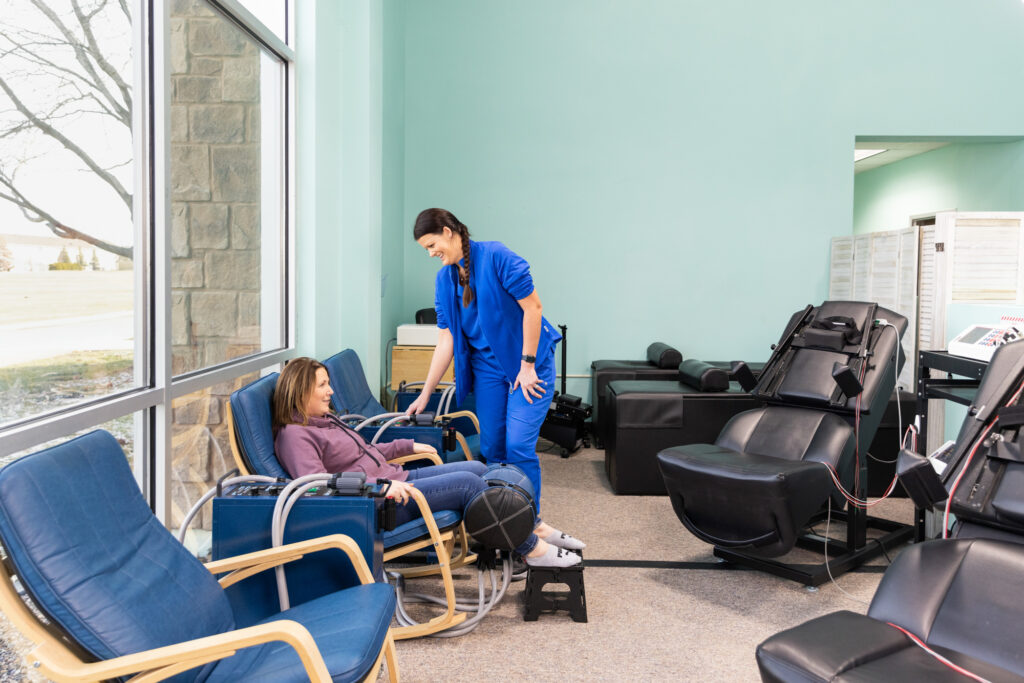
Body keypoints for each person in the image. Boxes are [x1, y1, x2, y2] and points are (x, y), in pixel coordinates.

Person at [272, 357, 580, 567]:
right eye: (322, 385)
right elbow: (315, 488)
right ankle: (531, 549)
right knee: (468, 484)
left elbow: (366, 450)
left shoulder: (324, 420)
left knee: (478, 469)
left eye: (328, 383)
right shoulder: (295, 435)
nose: (330, 391)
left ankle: (533, 526)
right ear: (300, 390)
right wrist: (379, 488)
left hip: (395, 481)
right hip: (379, 506)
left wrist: (407, 444)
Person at [406, 208, 585, 552]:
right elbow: (446, 339)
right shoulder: (444, 280)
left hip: (527, 364)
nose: (430, 253)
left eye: (431, 245)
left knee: (518, 446)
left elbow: (533, 308)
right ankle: (503, 521)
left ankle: (532, 523)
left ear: (448, 231)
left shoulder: (497, 256)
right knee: (493, 449)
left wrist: (527, 365)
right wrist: (426, 394)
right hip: (487, 369)